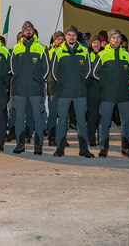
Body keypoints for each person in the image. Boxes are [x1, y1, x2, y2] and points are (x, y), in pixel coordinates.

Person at [52, 26, 93, 158]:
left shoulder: (84, 51)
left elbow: (88, 71)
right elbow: (54, 72)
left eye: (74, 35)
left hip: (80, 93)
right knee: (62, 121)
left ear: (76, 37)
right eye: (69, 34)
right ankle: (60, 149)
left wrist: (79, 83)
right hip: (64, 93)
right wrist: (64, 84)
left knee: (81, 121)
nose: (71, 37)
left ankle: (84, 149)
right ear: (65, 37)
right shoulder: (59, 52)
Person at [96, 29, 129, 158]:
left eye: (118, 37)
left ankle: (126, 148)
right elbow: (94, 73)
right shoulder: (102, 54)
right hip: (107, 95)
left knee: (126, 122)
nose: (117, 39)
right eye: (114, 37)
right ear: (109, 39)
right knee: (105, 122)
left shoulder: (127, 55)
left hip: (124, 95)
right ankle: (103, 147)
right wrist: (106, 83)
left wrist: (124, 82)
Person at [9, 21, 48, 155]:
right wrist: (19, 79)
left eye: (30, 29)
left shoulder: (41, 48)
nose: (28, 31)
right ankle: (20, 144)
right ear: (22, 32)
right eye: (26, 29)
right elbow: (11, 68)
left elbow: (46, 69)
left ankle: (38, 145)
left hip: (35, 90)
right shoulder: (16, 48)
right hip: (19, 90)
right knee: (19, 117)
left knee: (38, 117)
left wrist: (38, 81)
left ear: (33, 32)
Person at [46, 31, 65, 146]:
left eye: (62, 39)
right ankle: (51, 137)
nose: (60, 41)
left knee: (63, 114)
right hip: (53, 87)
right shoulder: (50, 52)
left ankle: (62, 137)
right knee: (53, 113)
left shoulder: (66, 52)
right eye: (58, 39)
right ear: (54, 40)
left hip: (65, 88)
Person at [85, 36, 103, 147]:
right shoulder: (87, 55)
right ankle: (91, 138)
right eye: (94, 42)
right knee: (93, 116)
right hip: (91, 91)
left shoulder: (104, 54)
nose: (96, 44)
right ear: (91, 44)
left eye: (98, 42)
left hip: (103, 90)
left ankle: (101, 138)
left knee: (102, 116)